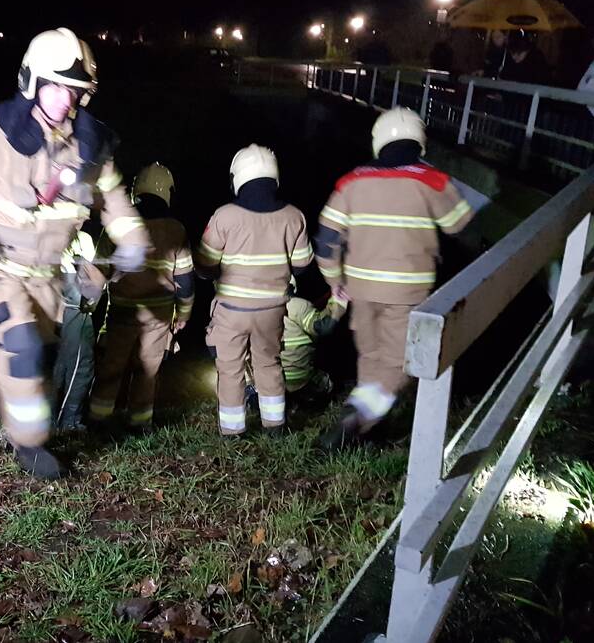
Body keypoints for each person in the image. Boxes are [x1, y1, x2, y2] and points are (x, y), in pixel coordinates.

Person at [0, 28, 149, 479]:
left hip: (48, 279)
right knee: (19, 343)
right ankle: (30, 445)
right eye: (54, 86)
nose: (64, 99)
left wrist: (133, 238)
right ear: (31, 81)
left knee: (37, 357)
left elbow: (114, 201)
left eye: (74, 89)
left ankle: (23, 429)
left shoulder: (91, 147)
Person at [314, 107, 474, 450]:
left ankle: (367, 430)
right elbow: (459, 223)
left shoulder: (352, 181)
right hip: (407, 290)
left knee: (371, 357)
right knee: (398, 363)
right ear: (420, 142)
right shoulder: (431, 179)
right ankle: (357, 418)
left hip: (360, 289)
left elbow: (326, 240)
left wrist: (334, 281)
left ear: (378, 141)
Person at [196, 145, 313, 437]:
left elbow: (205, 264)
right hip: (272, 310)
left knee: (230, 368)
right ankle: (275, 426)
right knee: (269, 363)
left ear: (237, 177)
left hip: (231, 311)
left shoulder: (224, 216)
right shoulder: (295, 217)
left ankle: (233, 432)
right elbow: (302, 266)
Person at [89, 163, 194, 431]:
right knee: (148, 370)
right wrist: (183, 313)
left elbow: (99, 270)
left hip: (121, 311)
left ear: (137, 190)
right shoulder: (176, 230)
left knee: (111, 367)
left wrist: (88, 303)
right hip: (159, 316)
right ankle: (140, 423)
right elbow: (185, 281)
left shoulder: (119, 224)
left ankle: (98, 421)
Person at [51, 231, 103, 433]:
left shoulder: (78, 236)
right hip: (74, 306)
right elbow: (90, 279)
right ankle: (69, 422)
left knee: (59, 365)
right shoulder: (80, 239)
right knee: (80, 366)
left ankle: (49, 423)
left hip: (58, 306)